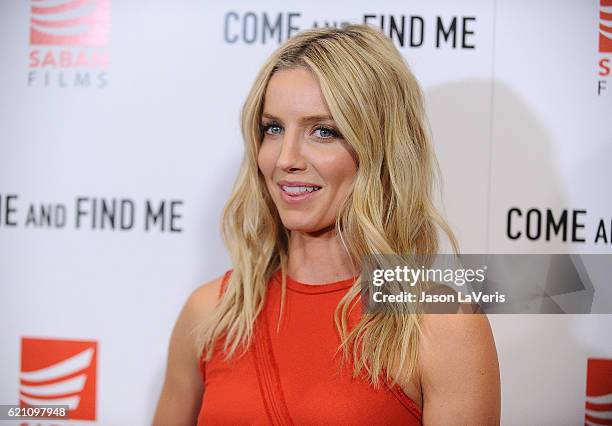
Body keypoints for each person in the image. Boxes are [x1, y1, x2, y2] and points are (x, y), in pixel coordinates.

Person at [153, 23, 500, 425]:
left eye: (323, 131)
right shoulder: (209, 313)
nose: (286, 158)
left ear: (378, 149)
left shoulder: (441, 323)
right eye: (274, 128)